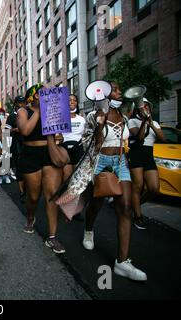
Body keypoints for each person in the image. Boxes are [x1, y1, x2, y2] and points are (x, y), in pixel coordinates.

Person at [56, 81, 147, 281]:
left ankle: (122, 262)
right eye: (115, 90)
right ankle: (89, 230)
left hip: (120, 161)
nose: (120, 92)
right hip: (100, 162)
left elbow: (132, 138)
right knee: (96, 203)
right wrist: (100, 122)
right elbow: (94, 145)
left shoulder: (123, 116)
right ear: (105, 94)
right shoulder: (91, 116)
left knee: (125, 207)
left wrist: (145, 118)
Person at [17, 84, 67, 254]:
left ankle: (52, 237)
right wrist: (39, 111)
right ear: (35, 96)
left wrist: (59, 134)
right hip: (30, 155)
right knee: (33, 196)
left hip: (49, 153)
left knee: (52, 194)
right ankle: (30, 217)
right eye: (43, 92)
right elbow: (25, 130)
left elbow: (59, 133)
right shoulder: (24, 111)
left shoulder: (54, 109)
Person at [128, 98, 165, 230]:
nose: (146, 108)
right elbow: (140, 138)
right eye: (142, 107)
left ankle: (134, 204)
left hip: (149, 156)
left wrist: (151, 123)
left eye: (147, 106)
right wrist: (144, 122)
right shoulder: (132, 121)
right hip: (136, 154)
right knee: (137, 186)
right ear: (137, 109)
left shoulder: (154, 122)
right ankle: (138, 216)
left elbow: (162, 138)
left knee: (154, 188)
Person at [5, 95, 26, 203]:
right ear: (16, 104)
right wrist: (15, 129)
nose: (22, 104)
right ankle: (22, 191)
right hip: (16, 145)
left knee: (28, 168)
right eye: (20, 102)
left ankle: (28, 189)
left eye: (24, 102)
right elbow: (6, 131)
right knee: (20, 168)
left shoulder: (28, 114)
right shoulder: (12, 116)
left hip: (28, 144)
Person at [62, 95, 86, 181]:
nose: (72, 102)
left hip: (78, 149)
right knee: (67, 178)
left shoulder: (82, 119)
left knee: (78, 177)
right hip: (64, 150)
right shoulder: (61, 118)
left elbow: (84, 135)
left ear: (77, 103)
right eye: (69, 100)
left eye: (74, 100)